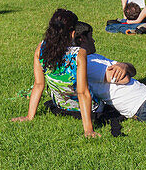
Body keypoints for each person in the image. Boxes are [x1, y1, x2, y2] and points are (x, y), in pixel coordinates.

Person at [12, 9, 100, 137]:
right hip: (88, 109)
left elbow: (38, 85)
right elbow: (82, 92)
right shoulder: (78, 54)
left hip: (61, 106)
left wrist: (29, 116)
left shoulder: (41, 48)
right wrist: (88, 130)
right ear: (73, 33)